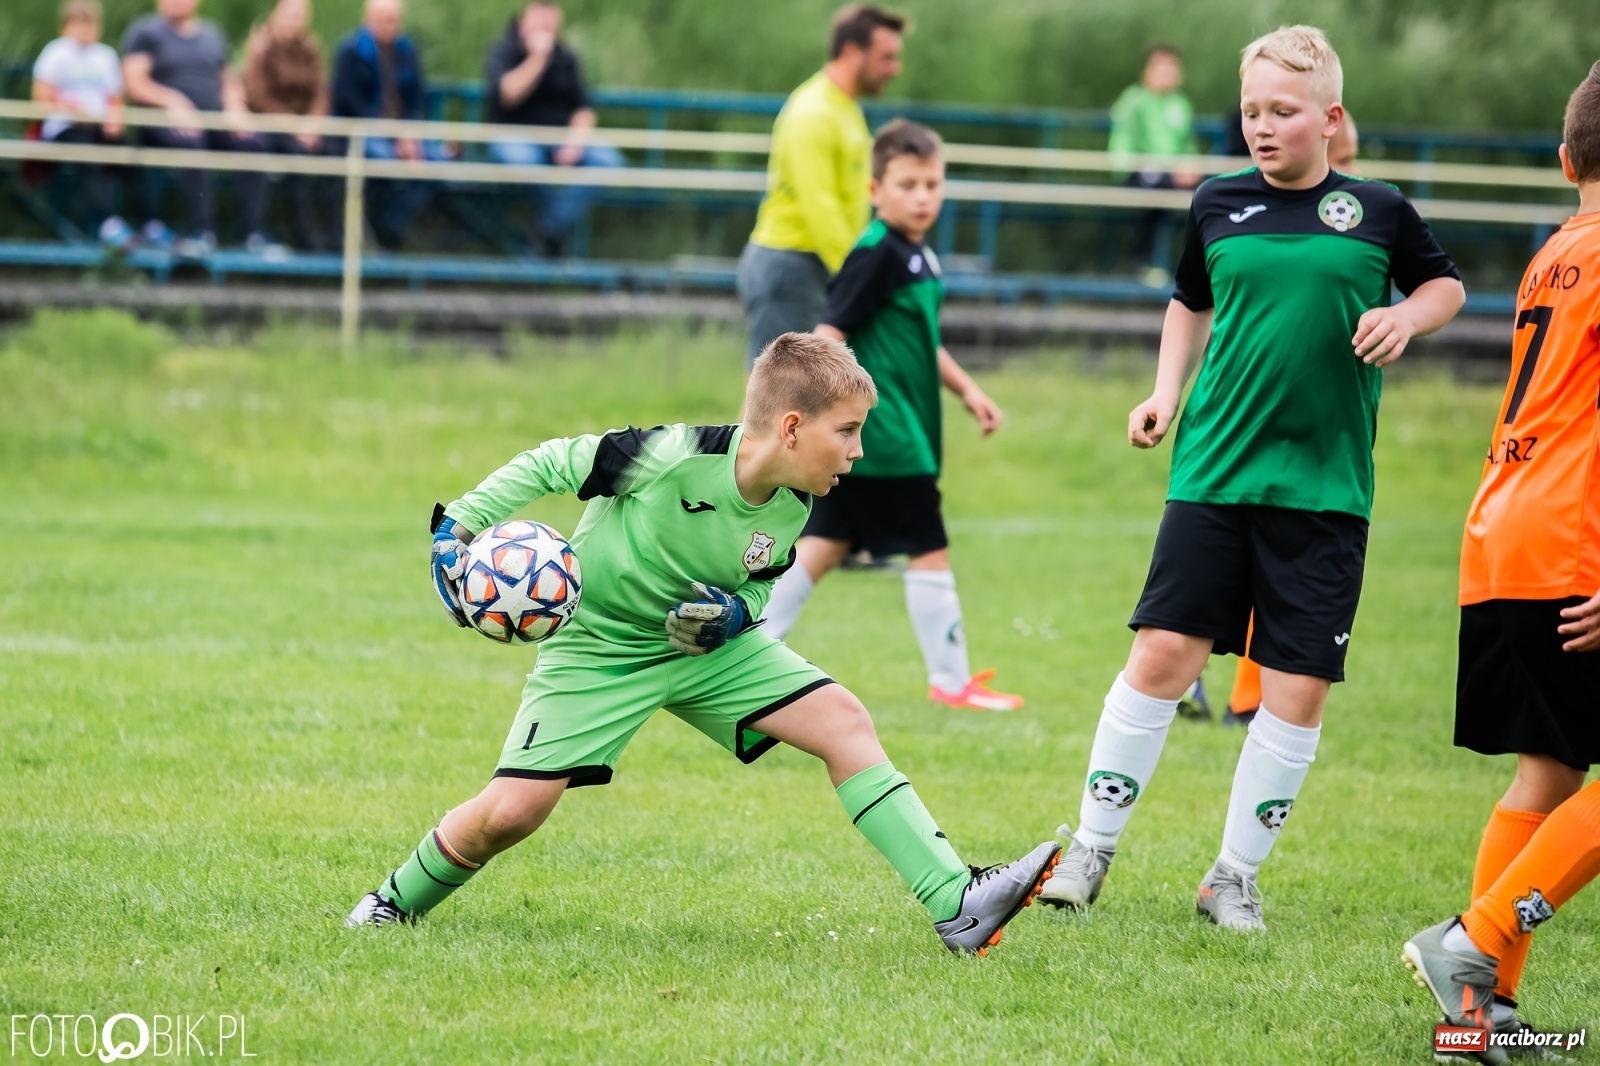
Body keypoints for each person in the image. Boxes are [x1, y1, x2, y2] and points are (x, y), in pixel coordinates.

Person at [343, 333, 1062, 955]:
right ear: (789, 428)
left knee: (844, 721)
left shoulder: (794, 504)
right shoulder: (671, 454)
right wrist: (458, 526)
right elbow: (551, 462)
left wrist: (733, 617)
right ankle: (391, 901)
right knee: (512, 813)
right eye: (846, 431)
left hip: (704, 654)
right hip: (600, 649)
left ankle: (955, 900)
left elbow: (756, 588)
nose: (859, 449)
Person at [1036, 26, 1465, 931]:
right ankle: (1090, 849)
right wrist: (1164, 393)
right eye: (1251, 111)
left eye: (1282, 111)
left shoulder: (1379, 209)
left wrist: (1405, 319)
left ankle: (1231, 877)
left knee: (1296, 685)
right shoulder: (1216, 202)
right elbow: (1188, 302)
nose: (1262, 127)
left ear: (1330, 118)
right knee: (1162, 657)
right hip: (1214, 472)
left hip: (1326, 488)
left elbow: (1445, 288)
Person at [1401, 64, 1600, 1050]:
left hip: (1503, 524)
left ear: (1566, 160)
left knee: (1550, 769)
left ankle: (1480, 1010)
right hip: (1573, 539)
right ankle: (1474, 938)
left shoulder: (1556, 249)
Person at [760, 122, 1021, 713]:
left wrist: (967, 391)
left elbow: (921, 340)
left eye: (932, 183)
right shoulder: (875, 252)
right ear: (877, 189)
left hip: (905, 427)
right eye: (908, 184)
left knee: (825, 542)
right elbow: (828, 333)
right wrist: (831, 412)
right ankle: (951, 681)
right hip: (890, 435)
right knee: (927, 544)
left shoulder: (919, 254)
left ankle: (746, 645)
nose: (923, 196)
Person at [1224, 109, 1361, 729]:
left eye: (1353, 164)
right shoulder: (1242, 215)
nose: (1347, 179)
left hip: (1325, 455)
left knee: (1282, 598)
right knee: (1240, 586)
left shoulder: (1369, 226)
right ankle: (1245, 697)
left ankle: (1253, 699)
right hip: (1248, 451)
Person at [737, 4, 904, 366]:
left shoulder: (845, 108)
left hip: (813, 265)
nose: (895, 68)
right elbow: (820, 208)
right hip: (792, 265)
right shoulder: (813, 112)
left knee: (790, 400)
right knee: (776, 399)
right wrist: (862, 274)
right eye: (886, 57)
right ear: (850, 52)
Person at [121, 0, 268, 257]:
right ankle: (203, 233)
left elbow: (228, 81)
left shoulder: (212, 34)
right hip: (163, 123)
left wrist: (235, 107)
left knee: (253, 143)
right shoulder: (145, 33)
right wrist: (171, 101)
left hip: (213, 121)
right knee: (190, 142)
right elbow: (134, 82)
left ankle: (249, 234)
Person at [484, 2, 622, 257]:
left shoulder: (566, 57)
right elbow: (507, 94)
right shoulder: (503, 50)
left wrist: (575, 142)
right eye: (541, 14)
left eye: (551, 15)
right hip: (513, 136)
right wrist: (538, 59)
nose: (547, 22)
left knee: (608, 161)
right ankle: (549, 234)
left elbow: (583, 109)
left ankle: (546, 230)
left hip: (559, 138)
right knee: (524, 163)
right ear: (525, 16)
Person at [330, 0, 448, 250]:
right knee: (388, 165)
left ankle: (388, 226)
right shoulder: (351, 51)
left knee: (438, 163)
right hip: (362, 134)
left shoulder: (407, 50)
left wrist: (410, 135)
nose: (390, 25)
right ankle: (380, 231)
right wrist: (393, 136)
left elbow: (417, 100)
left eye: (394, 19)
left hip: (404, 134)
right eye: (384, 18)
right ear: (368, 18)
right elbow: (349, 103)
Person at [31, 0, 131, 246]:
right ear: (65, 27)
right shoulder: (55, 53)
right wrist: (70, 108)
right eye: (78, 23)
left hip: (99, 126)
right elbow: (40, 98)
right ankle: (109, 224)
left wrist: (115, 121)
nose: (85, 30)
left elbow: (115, 99)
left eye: (90, 24)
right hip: (65, 127)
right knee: (88, 155)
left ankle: (150, 223)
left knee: (132, 155)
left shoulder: (105, 56)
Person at [240, 0, 332, 254]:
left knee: (338, 152)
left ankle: (336, 235)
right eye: (291, 14)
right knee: (294, 156)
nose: (295, 20)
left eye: (300, 15)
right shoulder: (262, 47)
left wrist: (313, 123)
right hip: (270, 125)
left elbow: (320, 93)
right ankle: (299, 234)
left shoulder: (309, 49)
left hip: (305, 129)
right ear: (276, 14)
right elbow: (257, 96)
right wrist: (293, 124)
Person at [1108, 44, 1201, 287]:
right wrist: (1127, 166)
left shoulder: (1181, 104)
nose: (1168, 73)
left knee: (1214, 191)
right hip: (1141, 172)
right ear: (1147, 71)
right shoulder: (1134, 101)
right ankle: (1144, 261)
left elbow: (1187, 144)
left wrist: (1191, 166)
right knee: (1156, 189)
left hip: (1175, 174)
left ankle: (1202, 263)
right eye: (1162, 68)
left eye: (1172, 68)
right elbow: (1122, 143)